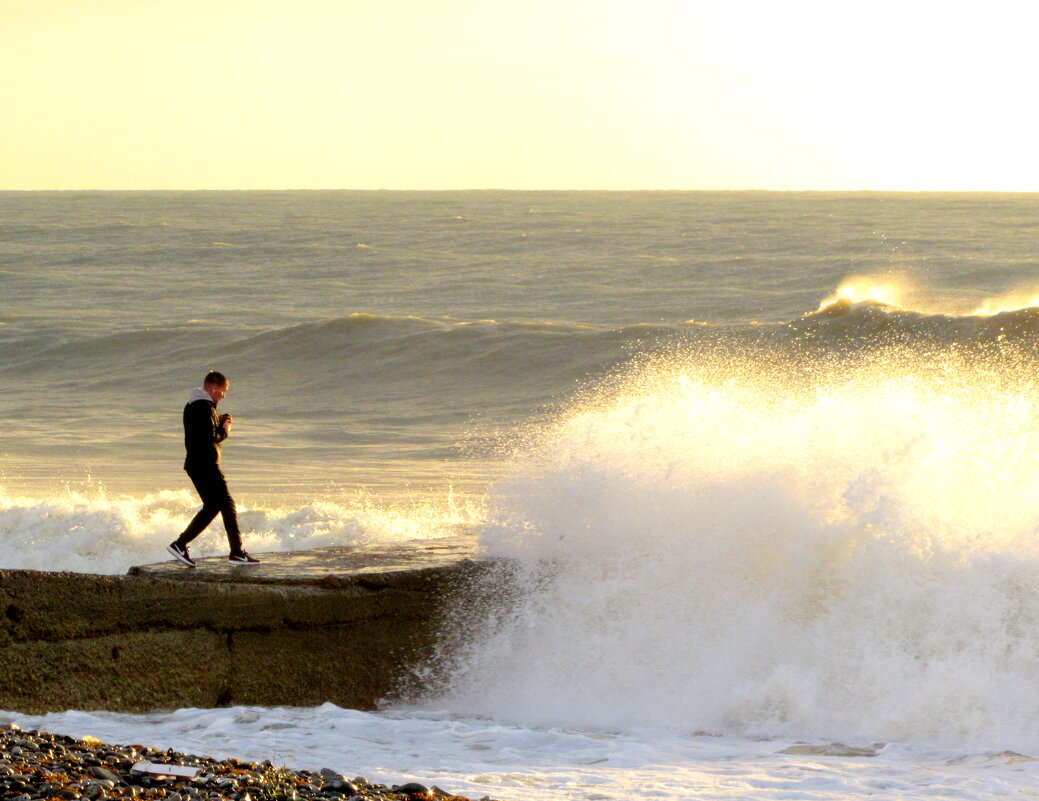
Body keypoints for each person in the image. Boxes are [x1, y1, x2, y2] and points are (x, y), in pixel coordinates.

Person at [167, 371, 260, 567]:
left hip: (196, 464)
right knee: (227, 504)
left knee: (213, 506)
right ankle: (236, 553)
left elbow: (201, 433)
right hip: (205, 465)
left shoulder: (195, 405)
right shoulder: (203, 406)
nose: (224, 395)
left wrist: (217, 420)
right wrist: (224, 429)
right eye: (223, 391)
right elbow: (211, 438)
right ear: (214, 388)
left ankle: (180, 544)